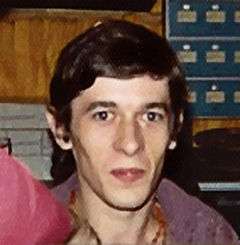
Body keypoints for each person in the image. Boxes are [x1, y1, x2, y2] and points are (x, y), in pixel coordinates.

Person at [46, 19, 239, 244]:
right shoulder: (25, 235)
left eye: (151, 116)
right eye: (103, 115)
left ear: (175, 129)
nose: (130, 144)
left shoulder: (210, 237)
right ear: (61, 129)